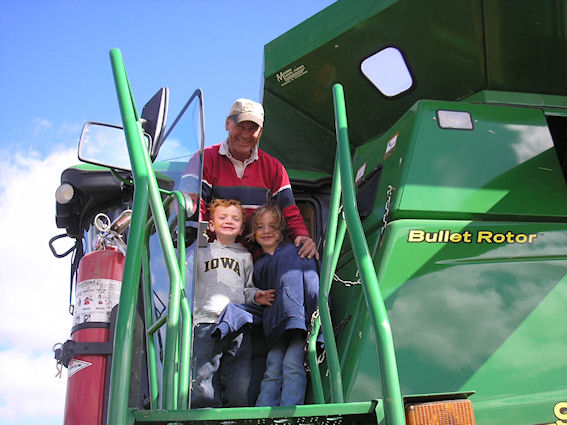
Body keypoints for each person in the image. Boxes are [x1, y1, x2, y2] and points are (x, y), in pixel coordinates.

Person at [182, 98, 319, 260]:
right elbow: (191, 208)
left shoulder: (274, 167)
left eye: (253, 128)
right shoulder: (203, 159)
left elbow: (289, 211)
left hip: (260, 259)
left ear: (260, 132)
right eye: (240, 126)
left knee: (300, 262)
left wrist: (302, 235)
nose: (246, 134)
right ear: (227, 124)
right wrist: (196, 252)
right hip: (214, 257)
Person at [191, 198, 275, 408]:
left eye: (235, 218)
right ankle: (205, 417)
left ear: (241, 229)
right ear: (211, 225)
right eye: (223, 217)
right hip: (205, 321)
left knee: (239, 377)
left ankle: (235, 415)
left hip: (237, 322)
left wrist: (257, 296)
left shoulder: (244, 256)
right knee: (202, 376)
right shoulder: (200, 252)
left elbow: (246, 288)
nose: (229, 221)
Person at [249, 203, 320, 407]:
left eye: (272, 226)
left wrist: (312, 313)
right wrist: (257, 296)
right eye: (260, 227)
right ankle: (262, 416)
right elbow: (252, 290)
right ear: (253, 233)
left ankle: (288, 414)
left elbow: (311, 281)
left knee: (292, 364)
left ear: (281, 232)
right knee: (272, 368)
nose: (266, 231)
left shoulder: (294, 252)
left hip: (300, 320)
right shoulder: (257, 264)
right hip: (275, 324)